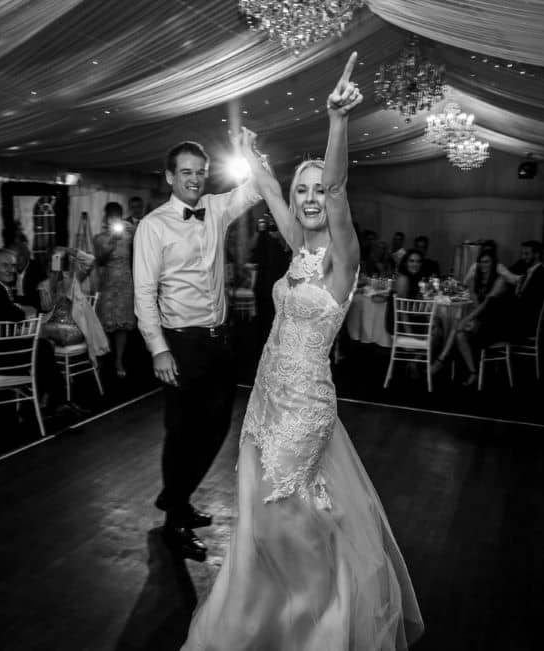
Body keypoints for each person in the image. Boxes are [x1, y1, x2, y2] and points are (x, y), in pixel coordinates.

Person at [181, 53, 423, 650]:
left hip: (304, 407)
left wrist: (337, 122)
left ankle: (314, 621)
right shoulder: (296, 247)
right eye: (303, 190)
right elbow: (265, 187)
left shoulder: (344, 262)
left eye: (319, 191)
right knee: (264, 519)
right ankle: (274, 614)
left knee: (292, 519)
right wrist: (254, 155)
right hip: (264, 399)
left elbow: (338, 186)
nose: (312, 198)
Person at [133, 136, 264, 560]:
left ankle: (177, 496)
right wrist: (158, 349)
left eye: (200, 171)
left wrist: (251, 151)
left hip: (219, 341)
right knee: (182, 434)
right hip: (180, 344)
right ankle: (176, 518)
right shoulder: (153, 226)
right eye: (185, 172)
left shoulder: (217, 209)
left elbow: (259, 187)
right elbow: (143, 293)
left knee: (218, 427)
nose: (193, 179)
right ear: (170, 177)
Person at [0, 248, 67, 414]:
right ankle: (50, 400)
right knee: (42, 348)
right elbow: (15, 315)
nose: (11, 269)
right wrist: (20, 309)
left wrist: (16, 307)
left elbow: (8, 311)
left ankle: (45, 398)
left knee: (41, 348)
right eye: (5, 265)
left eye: (13, 265)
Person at [432, 249, 512, 386]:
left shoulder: (500, 281)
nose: (483, 265)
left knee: (459, 323)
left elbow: (486, 305)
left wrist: (468, 319)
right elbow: (475, 303)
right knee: (459, 333)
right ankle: (472, 372)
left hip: (497, 324)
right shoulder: (477, 279)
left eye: (487, 262)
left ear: (494, 263)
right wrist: (471, 318)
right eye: (480, 262)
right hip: (482, 320)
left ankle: (441, 361)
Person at [94, 202, 137, 378]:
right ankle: (103, 358)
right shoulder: (99, 238)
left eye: (116, 217)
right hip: (108, 283)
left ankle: (119, 360)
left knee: (122, 325)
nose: (113, 221)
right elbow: (101, 259)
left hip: (126, 282)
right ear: (106, 218)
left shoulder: (128, 235)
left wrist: (132, 228)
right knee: (105, 323)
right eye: (110, 217)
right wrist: (111, 239)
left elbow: (146, 239)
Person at [249, 213, 292, 346]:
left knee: (276, 318)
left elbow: (290, 254)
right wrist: (259, 233)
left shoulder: (285, 235)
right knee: (264, 319)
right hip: (264, 284)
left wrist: (280, 236)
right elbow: (254, 255)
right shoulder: (263, 236)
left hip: (277, 283)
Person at [9, 236, 46, 310]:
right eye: (13, 258)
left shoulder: (36, 269)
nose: (17, 261)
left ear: (26, 255)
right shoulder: (10, 269)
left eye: (20, 256)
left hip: (33, 307)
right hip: (16, 306)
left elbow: (39, 298)